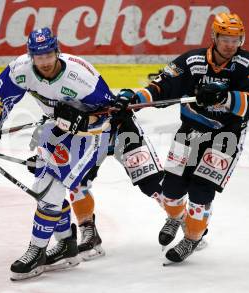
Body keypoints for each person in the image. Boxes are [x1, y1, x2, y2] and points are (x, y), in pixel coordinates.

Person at [0, 27, 118, 280]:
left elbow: (112, 112)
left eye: (49, 55)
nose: (45, 62)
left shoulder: (80, 75)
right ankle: (65, 246)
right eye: (39, 57)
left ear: (57, 51)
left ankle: (37, 250)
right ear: (31, 56)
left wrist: (84, 118)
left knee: (51, 189)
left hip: (92, 134)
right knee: (43, 181)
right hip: (55, 128)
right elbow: (0, 96)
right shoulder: (20, 70)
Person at [128, 12, 249, 263]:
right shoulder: (192, 61)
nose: (230, 44)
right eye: (225, 38)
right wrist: (135, 99)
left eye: (235, 39)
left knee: (201, 192)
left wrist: (223, 98)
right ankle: (177, 217)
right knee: (170, 192)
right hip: (190, 133)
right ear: (214, 36)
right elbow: (162, 86)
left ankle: (193, 238)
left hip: (227, 136)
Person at [27, 88, 165, 261]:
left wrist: (125, 99)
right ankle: (88, 231)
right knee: (76, 182)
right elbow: (53, 136)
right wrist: (45, 158)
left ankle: (182, 220)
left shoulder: (84, 87)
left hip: (121, 132)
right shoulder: (54, 105)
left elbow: (126, 95)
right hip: (88, 142)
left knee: (151, 184)